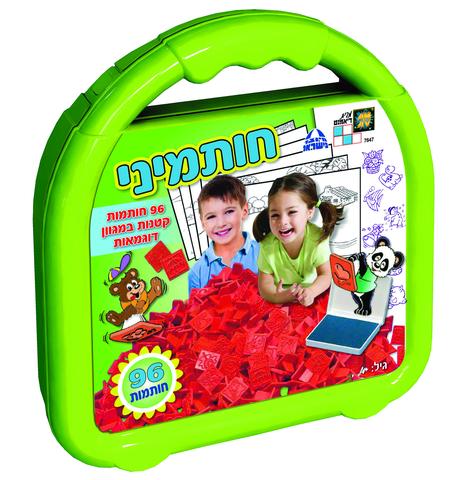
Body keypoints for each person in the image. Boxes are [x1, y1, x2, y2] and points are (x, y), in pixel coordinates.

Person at [253, 173, 342, 305]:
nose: (283, 222)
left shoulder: (318, 240)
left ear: (309, 212)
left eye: (292, 212)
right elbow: (264, 284)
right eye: (275, 215)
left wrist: (311, 292)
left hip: (312, 291)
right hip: (279, 295)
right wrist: (278, 296)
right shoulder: (267, 245)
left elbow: (326, 275)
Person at [188, 175, 259, 293]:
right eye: (211, 217)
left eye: (229, 211)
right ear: (203, 223)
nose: (221, 223)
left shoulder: (264, 253)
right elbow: (195, 304)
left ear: (244, 210)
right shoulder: (197, 273)